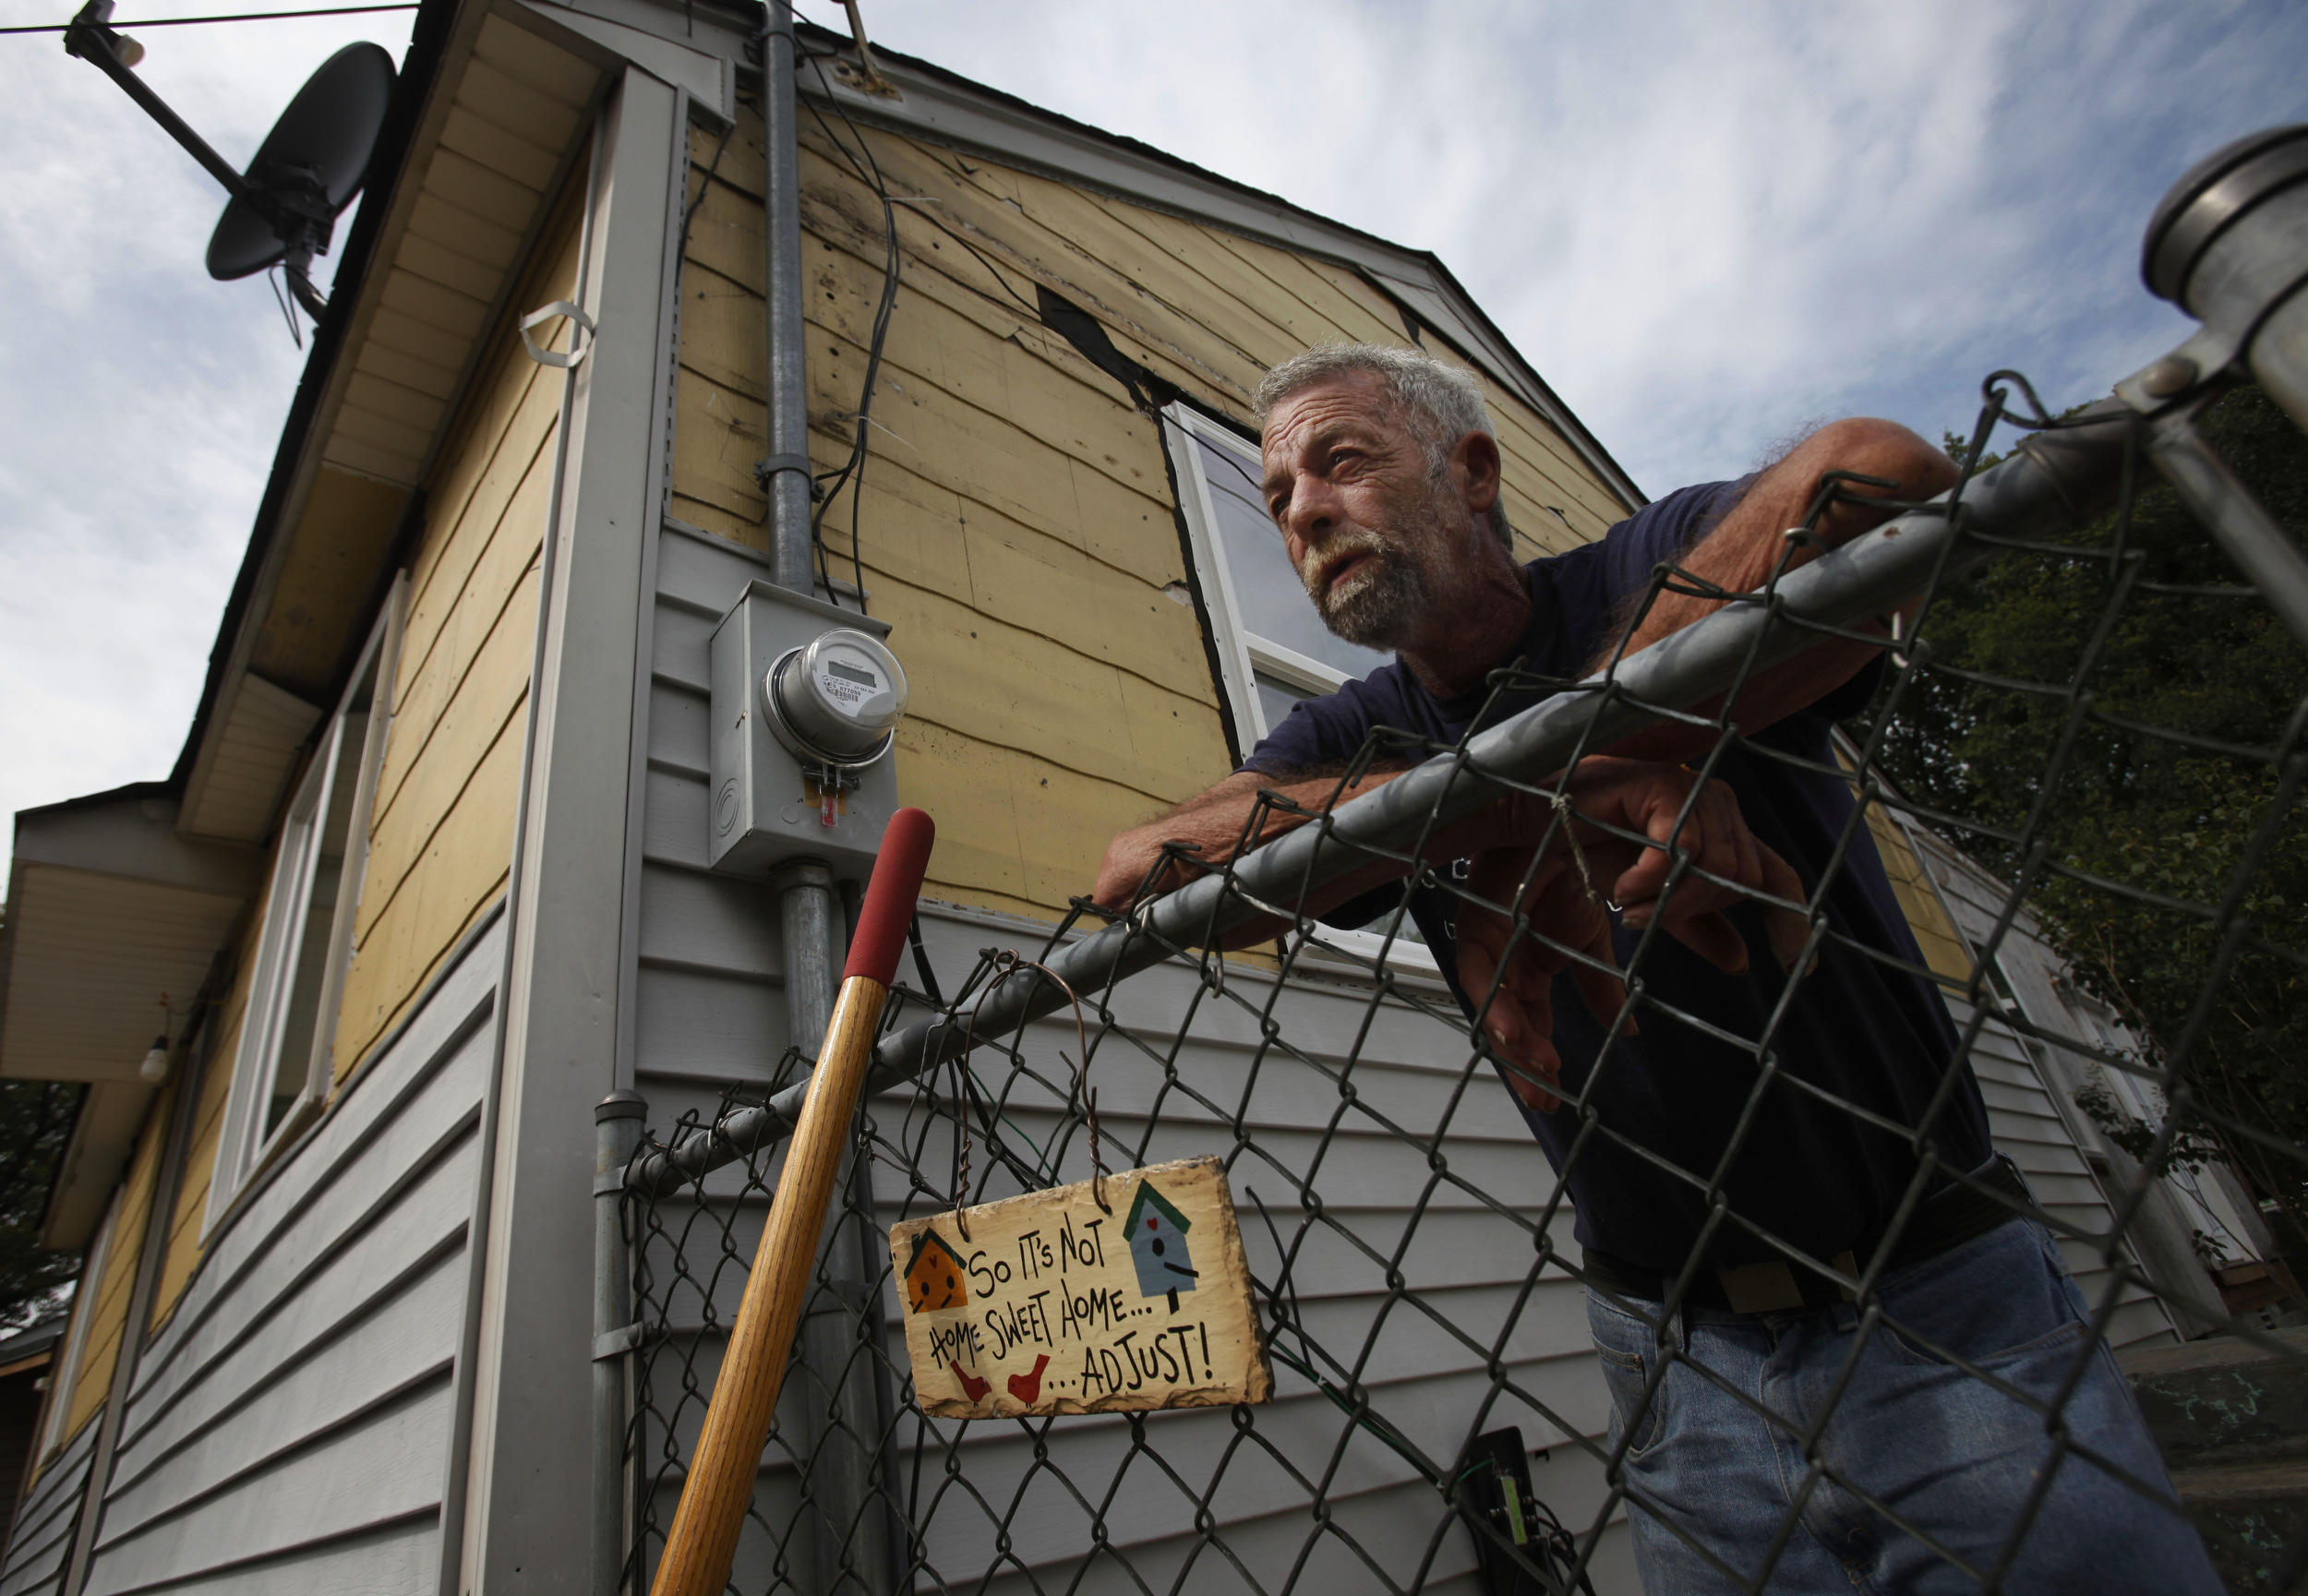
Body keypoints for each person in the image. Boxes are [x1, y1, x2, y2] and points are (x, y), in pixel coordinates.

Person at [1093, 343, 2218, 1593]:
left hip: (1939, 1299)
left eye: (1340, 462)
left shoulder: (1645, 564)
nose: (1302, 508)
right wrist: (1572, 784)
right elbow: (1145, 872)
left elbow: (1884, 471)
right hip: (1668, 1352)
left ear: (1470, 471)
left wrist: (1529, 767)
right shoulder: (1354, 728)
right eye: (1276, 495)